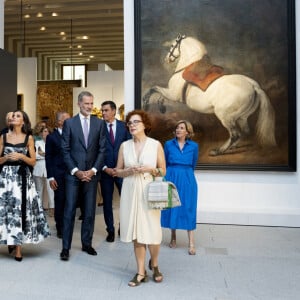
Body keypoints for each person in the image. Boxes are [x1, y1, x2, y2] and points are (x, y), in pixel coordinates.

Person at [114, 109, 166, 287]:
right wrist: (128, 171)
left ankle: (155, 263)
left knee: (152, 231)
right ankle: (140, 272)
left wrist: (149, 169)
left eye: (136, 122)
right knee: (136, 233)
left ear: (145, 125)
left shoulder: (155, 144)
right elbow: (117, 171)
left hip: (149, 191)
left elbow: (162, 170)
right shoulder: (124, 146)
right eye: (129, 123)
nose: (132, 125)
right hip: (130, 191)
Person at [60, 91, 106, 261]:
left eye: (91, 103)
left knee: (89, 211)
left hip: (92, 175)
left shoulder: (99, 123)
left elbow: (102, 150)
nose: (90, 107)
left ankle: (87, 244)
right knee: (69, 210)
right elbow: (64, 150)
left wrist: (93, 170)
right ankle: (65, 248)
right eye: (86, 103)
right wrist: (76, 171)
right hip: (73, 175)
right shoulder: (69, 123)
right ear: (79, 104)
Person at [0, 110, 50, 261]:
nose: (14, 117)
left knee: (21, 211)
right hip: (6, 178)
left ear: (23, 121)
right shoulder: (3, 136)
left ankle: (18, 249)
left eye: (17, 116)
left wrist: (21, 156)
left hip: (23, 178)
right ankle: (10, 240)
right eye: (13, 116)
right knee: (8, 210)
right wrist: (6, 157)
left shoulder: (28, 138)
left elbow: (33, 162)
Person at [161, 120, 199, 255]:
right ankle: (173, 237)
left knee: (189, 207)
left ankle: (191, 243)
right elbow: (164, 161)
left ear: (187, 132)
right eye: (177, 127)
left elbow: (193, 163)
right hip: (171, 176)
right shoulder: (168, 144)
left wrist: (186, 174)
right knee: (172, 207)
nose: (178, 130)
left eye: (182, 128)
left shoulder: (194, 146)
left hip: (187, 178)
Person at [100, 100, 131, 242]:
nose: (103, 113)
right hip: (105, 171)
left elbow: (129, 148)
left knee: (125, 200)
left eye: (106, 110)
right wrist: (105, 168)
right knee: (107, 202)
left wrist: (121, 168)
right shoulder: (98, 127)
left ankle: (122, 227)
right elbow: (95, 150)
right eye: (102, 110)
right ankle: (110, 230)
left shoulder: (124, 127)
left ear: (113, 111)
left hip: (121, 171)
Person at [45, 111, 70, 238]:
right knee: (59, 201)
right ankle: (60, 227)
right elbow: (48, 158)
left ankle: (67, 224)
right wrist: (50, 177)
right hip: (58, 175)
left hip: (72, 174)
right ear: (59, 122)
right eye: (66, 119)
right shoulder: (52, 137)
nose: (70, 121)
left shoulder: (73, 135)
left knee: (70, 201)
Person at [33, 126, 55, 216]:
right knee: (39, 190)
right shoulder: (37, 142)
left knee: (51, 190)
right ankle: (39, 208)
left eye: (47, 131)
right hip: (38, 168)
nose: (45, 133)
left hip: (50, 168)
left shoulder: (53, 143)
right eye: (44, 131)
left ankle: (52, 208)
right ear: (41, 133)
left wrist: (43, 153)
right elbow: (36, 155)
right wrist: (47, 154)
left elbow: (54, 155)